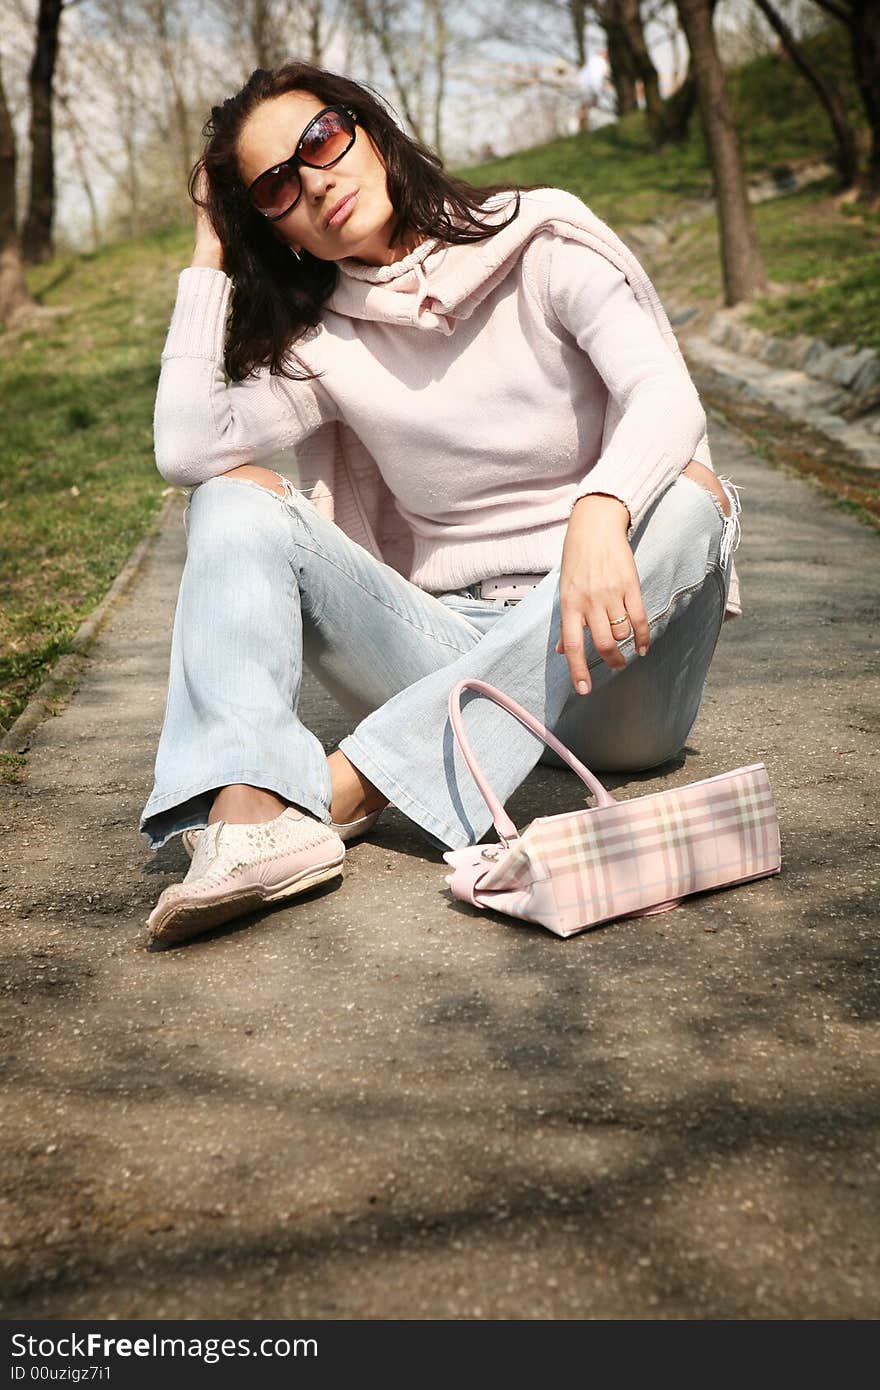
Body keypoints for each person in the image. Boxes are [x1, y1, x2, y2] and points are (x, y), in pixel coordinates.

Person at [141, 61, 743, 948]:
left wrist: (600, 508)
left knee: (695, 499)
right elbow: (188, 449)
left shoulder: (542, 240)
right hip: (448, 653)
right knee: (233, 502)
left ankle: (349, 784)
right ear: (280, 232)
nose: (314, 180)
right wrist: (207, 254)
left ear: (371, 132)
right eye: (275, 185)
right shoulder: (327, 344)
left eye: (320, 140)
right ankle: (250, 818)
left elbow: (667, 397)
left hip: (619, 660)